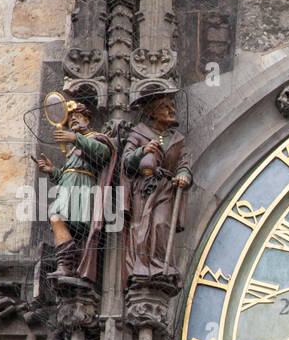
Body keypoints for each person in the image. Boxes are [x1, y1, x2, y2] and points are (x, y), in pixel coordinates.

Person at [34, 102, 118, 280]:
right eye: (71, 119)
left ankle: (68, 264)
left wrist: (74, 138)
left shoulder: (96, 138)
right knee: (57, 218)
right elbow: (67, 176)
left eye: (77, 118)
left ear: (87, 120)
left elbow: (104, 153)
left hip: (83, 190)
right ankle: (67, 265)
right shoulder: (74, 150)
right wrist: (52, 171)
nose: (73, 121)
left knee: (58, 217)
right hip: (69, 190)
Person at [122, 89, 192, 283]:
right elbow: (126, 161)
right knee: (141, 226)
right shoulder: (138, 133)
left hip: (166, 188)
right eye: (165, 107)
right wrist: (142, 151)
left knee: (161, 224)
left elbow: (183, 163)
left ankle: (161, 265)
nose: (171, 110)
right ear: (153, 112)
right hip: (144, 188)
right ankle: (140, 266)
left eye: (172, 106)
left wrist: (183, 175)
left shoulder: (177, 139)